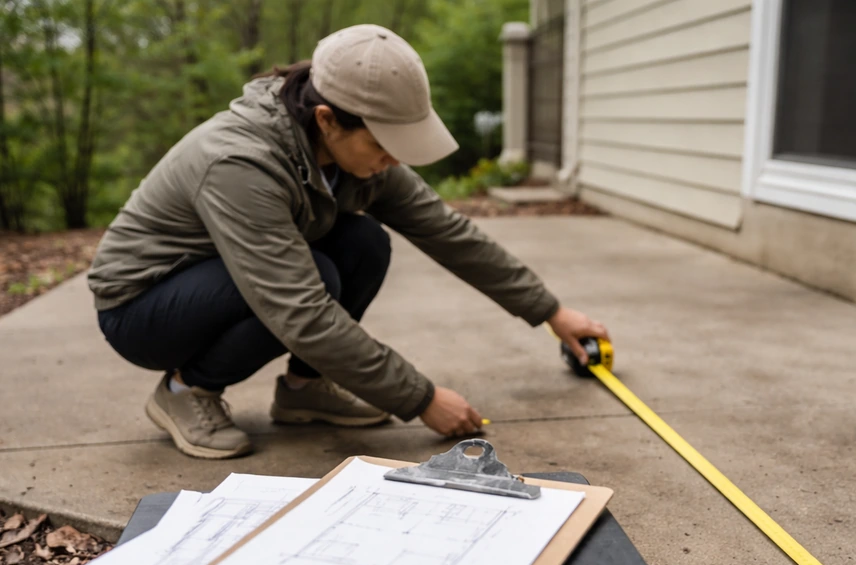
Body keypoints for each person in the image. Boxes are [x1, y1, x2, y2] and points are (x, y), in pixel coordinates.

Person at [87, 24, 609, 460]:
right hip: (145, 307)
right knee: (318, 276)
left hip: (222, 276)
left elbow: (448, 232)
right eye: (385, 144)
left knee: (364, 241)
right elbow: (301, 310)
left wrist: (550, 312)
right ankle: (186, 390)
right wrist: (420, 397)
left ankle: (304, 389)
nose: (394, 160)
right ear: (327, 119)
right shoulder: (239, 163)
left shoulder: (354, 153)